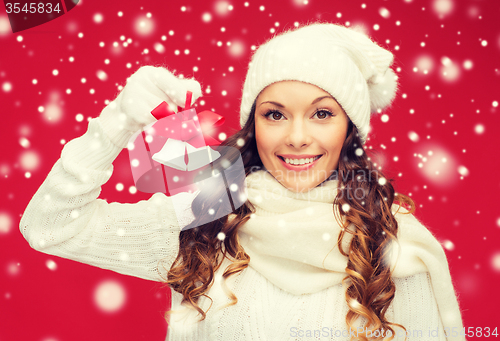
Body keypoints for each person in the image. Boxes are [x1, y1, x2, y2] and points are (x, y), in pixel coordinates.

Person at [20, 23, 465, 340]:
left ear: (350, 130)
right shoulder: (204, 222)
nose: (296, 137)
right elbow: (50, 227)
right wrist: (115, 122)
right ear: (253, 125)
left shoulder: (393, 246)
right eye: (275, 114)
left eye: (322, 113)